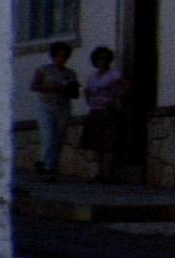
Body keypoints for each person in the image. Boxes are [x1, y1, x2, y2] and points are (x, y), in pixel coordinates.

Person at [29, 42, 81, 177]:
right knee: (48, 136)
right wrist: (50, 87)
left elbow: (75, 95)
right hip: (46, 106)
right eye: (59, 56)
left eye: (65, 56)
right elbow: (34, 86)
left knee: (58, 138)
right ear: (53, 56)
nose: (62, 59)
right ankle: (48, 167)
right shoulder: (43, 69)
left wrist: (70, 88)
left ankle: (49, 163)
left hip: (63, 107)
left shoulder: (70, 73)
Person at [82, 47, 127, 181]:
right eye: (100, 58)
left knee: (109, 142)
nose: (103, 61)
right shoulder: (92, 77)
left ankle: (108, 173)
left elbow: (126, 86)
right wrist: (89, 101)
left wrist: (116, 99)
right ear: (95, 61)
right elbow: (88, 90)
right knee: (96, 143)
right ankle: (99, 172)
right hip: (95, 110)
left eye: (106, 58)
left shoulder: (114, 74)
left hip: (108, 111)